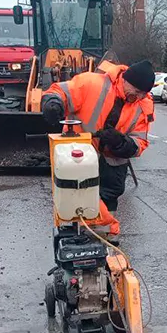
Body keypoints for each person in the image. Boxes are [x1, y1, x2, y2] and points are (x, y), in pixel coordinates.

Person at [40, 59, 155, 240]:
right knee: (76, 191)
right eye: (137, 92)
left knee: (109, 193)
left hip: (112, 160)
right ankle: (77, 233)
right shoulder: (92, 84)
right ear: (126, 80)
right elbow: (59, 91)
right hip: (80, 153)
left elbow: (139, 144)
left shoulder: (142, 106)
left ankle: (106, 234)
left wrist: (120, 142)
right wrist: (52, 103)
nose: (139, 97)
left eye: (143, 94)